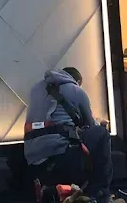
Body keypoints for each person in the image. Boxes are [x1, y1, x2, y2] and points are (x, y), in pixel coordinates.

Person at [24, 67, 112, 203]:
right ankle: (99, 193)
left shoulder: (35, 89)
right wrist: (101, 123)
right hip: (61, 153)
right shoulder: (76, 90)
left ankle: (56, 191)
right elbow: (89, 124)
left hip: (32, 157)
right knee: (102, 134)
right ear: (76, 81)